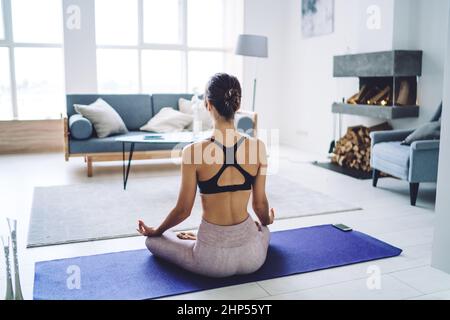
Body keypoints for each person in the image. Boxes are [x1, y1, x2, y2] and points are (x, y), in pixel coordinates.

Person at [137, 73, 274, 278]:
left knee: (152, 241)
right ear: (237, 105)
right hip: (253, 258)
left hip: (210, 261)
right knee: (263, 229)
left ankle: (196, 240)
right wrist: (267, 220)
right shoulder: (258, 147)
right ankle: (250, 233)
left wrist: (156, 230)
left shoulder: (192, 152)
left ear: (208, 105)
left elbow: (183, 210)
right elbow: (260, 206)